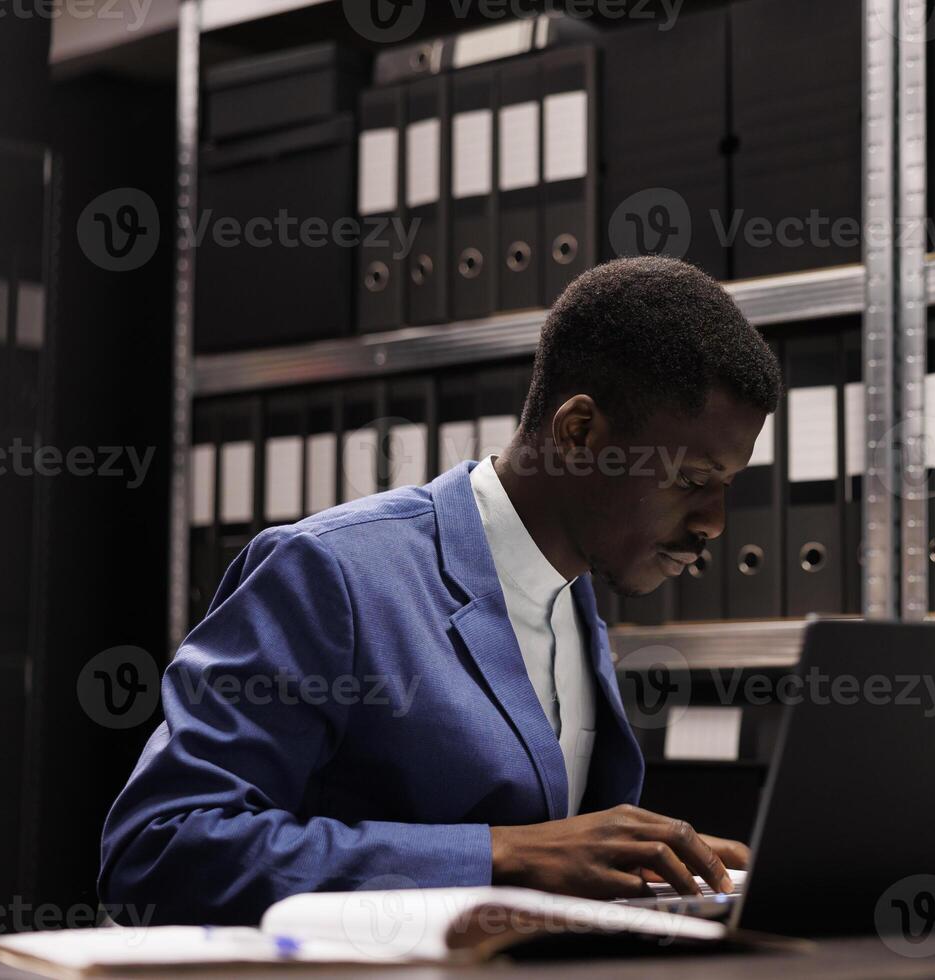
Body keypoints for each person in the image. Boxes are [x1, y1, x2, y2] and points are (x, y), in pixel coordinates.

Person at [99, 256, 782, 925]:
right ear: (579, 434)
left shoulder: (574, 597)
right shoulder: (328, 573)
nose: (714, 523)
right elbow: (158, 850)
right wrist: (501, 854)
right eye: (693, 480)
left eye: (727, 486)